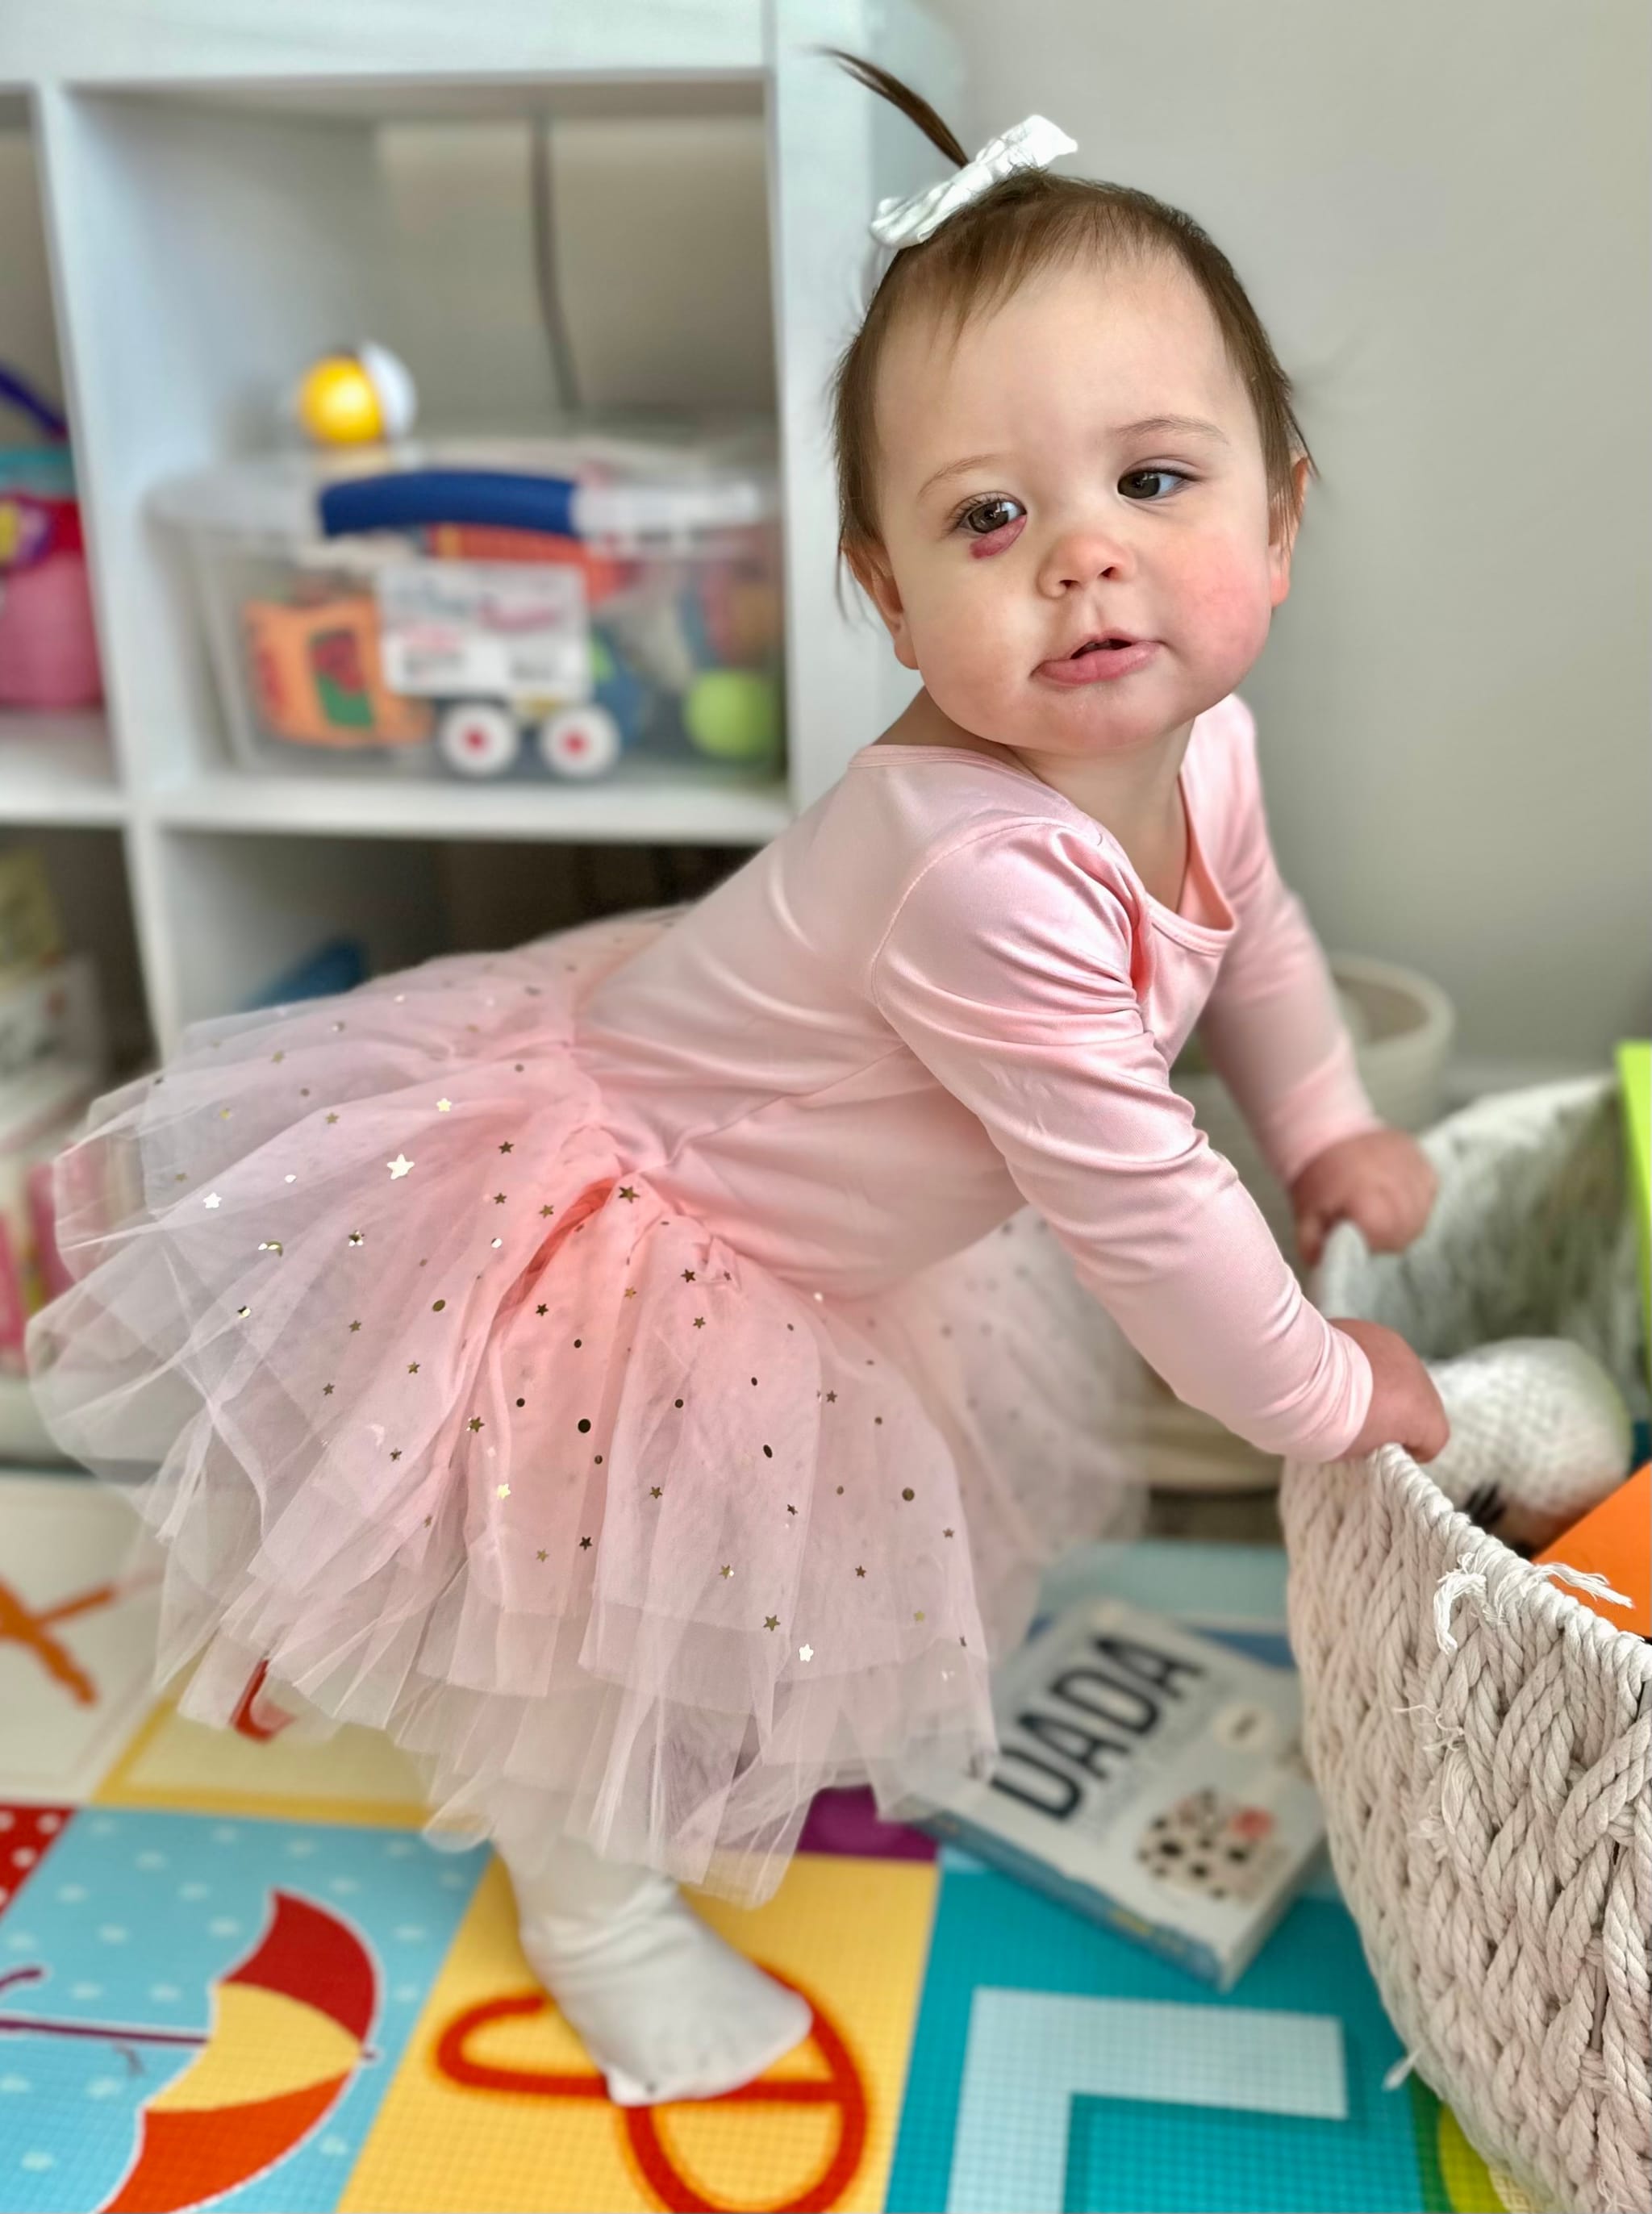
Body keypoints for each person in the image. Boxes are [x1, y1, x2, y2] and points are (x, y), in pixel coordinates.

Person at [24, 49, 1449, 2108]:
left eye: (1152, 481)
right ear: (887, 593)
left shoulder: (1200, 744)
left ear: (1279, 518)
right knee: (588, 1623)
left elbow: (1261, 937)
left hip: (820, 1205)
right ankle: (592, 1916)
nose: (1081, 557)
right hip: (652, 1239)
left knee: (782, 1573)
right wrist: (1322, 1390)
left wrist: (1321, 1118)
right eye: (989, 516)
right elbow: (1142, 1202)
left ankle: (710, 1761)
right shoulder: (977, 872)